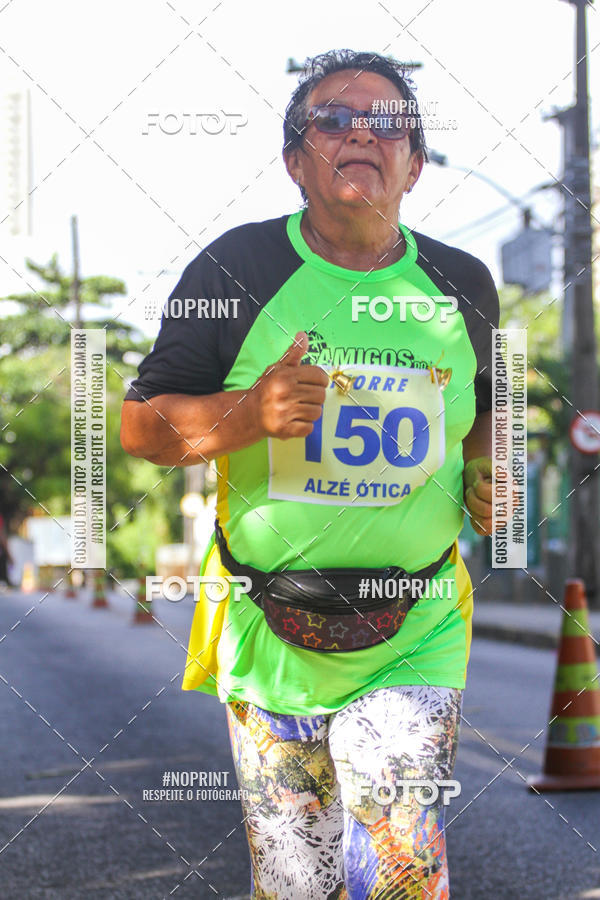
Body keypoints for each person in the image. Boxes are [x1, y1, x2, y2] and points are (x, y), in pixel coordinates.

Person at [121, 49, 498, 899]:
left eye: (388, 122)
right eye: (333, 119)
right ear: (296, 162)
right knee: (298, 883)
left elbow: (482, 423)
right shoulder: (235, 270)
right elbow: (140, 426)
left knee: (400, 865)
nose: (362, 132)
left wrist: (486, 476)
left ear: (417, 164)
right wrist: (246, 415)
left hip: (417, 623)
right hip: (270, 629)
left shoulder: (464, 284)